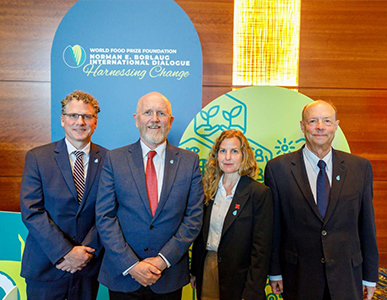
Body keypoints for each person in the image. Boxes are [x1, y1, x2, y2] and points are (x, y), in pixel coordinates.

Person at [264, 100, 379, 300]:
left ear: (336, 125)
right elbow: (274, 227)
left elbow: (367, 224)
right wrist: (275, 271)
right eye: (313, 121)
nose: (320, 127)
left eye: (327, 121)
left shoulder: (360, 168)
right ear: (302, 126)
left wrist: (370, 276)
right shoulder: (278, 169)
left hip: (347, 275)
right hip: (298, 275)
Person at [96, 91, 204, 300]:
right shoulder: (114, 159)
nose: (154, 119)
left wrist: (163, 260)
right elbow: (105, 217)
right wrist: (131, 264)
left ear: (170, 121)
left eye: (161, 113)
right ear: (136, 120)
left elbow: (193, 218)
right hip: (123, 275)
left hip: (168, 276)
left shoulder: (189, 162)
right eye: (148, 112)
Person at [20, 90, 107, 300]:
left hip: (88, 267)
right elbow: (32, 211)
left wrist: (84, 254)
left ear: (95, 122)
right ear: (62, 120)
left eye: (87, 116)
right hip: (46, 265)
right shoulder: (38, 157)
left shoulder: (110, 160)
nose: (80, 122)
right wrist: (66, 252)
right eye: (73, 115)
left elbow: (109, 211)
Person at [191, 130, 273, 300]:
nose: (227, 157)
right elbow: (200, 235)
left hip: (241, 279)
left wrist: (253, 290)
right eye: (223, 151)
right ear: (216, 156)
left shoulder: (258, 193)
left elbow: (261, 250)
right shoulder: (208, 190)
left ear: (244, 156)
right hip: (208, 269)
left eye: (234, 151)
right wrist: (195, 271)